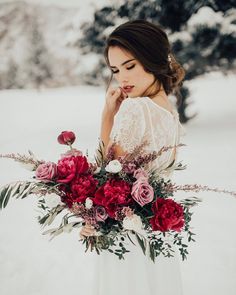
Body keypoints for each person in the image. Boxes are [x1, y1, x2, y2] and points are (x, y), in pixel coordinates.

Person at [80, 19, 186, 295]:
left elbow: (104, 174)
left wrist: (107, 116)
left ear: (151, 59)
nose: (122, 78)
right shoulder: (169, 111)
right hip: (158, 238)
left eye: (130, 66)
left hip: (127, 240)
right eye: (115, 70)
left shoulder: (135, 109)